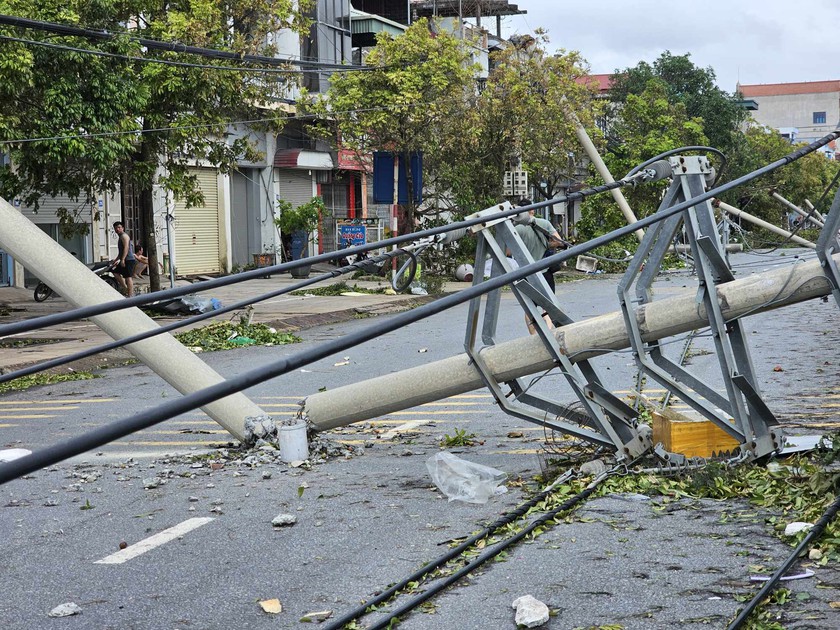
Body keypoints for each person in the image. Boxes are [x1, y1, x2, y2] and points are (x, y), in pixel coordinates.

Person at [513, 198, 567, 334]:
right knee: (548, 306)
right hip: (545, 270)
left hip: (526, 274)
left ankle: (533, 336)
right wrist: (548, 245)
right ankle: (550, 333)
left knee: (529, 307)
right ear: (533, 210)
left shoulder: (516, 229)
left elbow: (508, 252)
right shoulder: (544, 223)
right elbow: (559, 242)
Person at [111, 221, 136, 297]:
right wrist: (116, 260)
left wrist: (122, 260)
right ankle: (125, 288)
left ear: (122, 228)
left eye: (119, 227)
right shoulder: (120, 237)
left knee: (128, 277)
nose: (117, 229)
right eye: (116, 228)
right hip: (124, 259)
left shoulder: (124, 236)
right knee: (115, 271)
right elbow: (121, 252)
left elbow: (126, 248)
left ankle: (130, 295)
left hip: (128, 259)